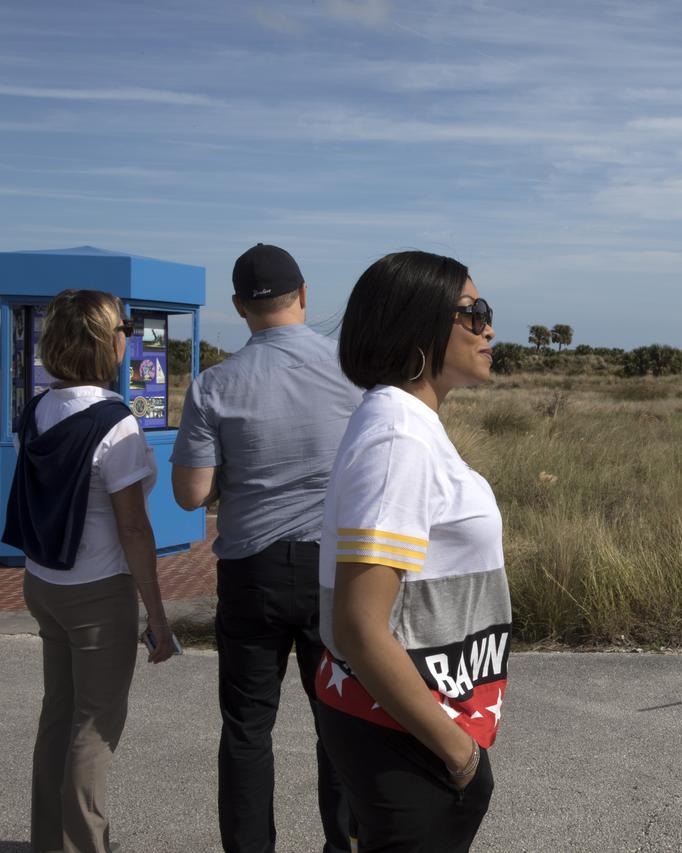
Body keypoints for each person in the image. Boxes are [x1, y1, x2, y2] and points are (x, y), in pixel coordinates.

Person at [314, 250, 508, 852]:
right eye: (471, 313)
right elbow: (360, 626)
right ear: (418, 324)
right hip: (405, 729)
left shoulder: (407, 426)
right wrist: (459, 757)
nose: (489, 327)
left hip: (411, 722)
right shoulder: (399, 438)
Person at [171, 244, 361, 853]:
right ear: (303, 294)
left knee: (248, 729)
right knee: (341, 722)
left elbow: (190, 494)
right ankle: (345, 843)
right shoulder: (355, 371)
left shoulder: (214, 384)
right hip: (336, 571)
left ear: (239, 307)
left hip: (252, 572)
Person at [2, 289, 177, 853]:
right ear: (110, 341)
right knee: (95, 729)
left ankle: (49, 840)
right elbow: (134, 530)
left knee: (59, 713)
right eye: (122, 326)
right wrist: (157, 615)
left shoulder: (37, 409)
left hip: (44, 583)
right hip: (98, 595)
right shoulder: (115, 423)